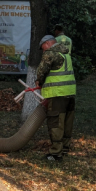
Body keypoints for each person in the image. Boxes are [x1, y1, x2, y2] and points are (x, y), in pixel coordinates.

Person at [36, 34, 76, 162]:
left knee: (56, 122)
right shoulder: (66, 53)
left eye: (43, 48)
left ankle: (55, 154)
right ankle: (65, 148)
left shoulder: (50, 53)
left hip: (57, 93)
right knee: (67, 121)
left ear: (48, 44)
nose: (43, 51)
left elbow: (42, 71)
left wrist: (39, 82)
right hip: (70, 92)